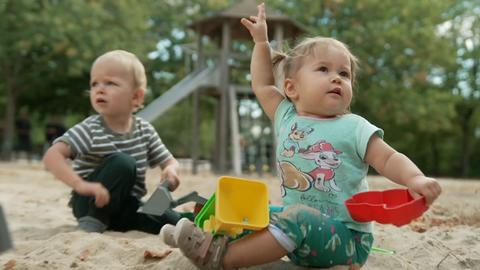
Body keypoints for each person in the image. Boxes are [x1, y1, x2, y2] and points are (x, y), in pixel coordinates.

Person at [159, 3, 442, 270]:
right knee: (258, 209)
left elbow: (388, 157)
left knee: (295, 217)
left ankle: (221, 257)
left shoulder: (354, 127)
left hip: (345, 241)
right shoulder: (287, 117)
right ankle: (204, 236)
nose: (337, 78)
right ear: (292, 88)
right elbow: (262, 84)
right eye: (324, 69)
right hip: (298, 234)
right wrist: (260, 44)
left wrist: (415, 178)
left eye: (344, 74)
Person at [43, 50, 181, 234]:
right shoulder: (91, 128)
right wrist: (80, 185)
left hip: (124, 205)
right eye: (94, 84)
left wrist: (170, 170)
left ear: (136, 97)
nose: (99, 89)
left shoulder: (144, 130)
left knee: (167, 218)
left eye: (110, 83)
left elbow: (169, 161)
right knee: (123, 162)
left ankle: (196, 224)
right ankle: (93, 221)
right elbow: (52, 156)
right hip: (89, 203)